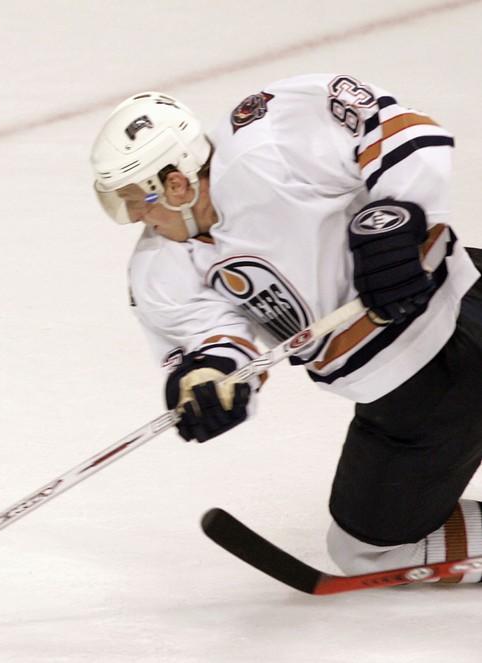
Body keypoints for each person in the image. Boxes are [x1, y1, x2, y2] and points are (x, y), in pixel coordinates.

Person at [89, 75, 482, 581]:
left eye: (132, 200)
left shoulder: (265, 141)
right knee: (366, 550)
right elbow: (215, 346)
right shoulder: (159, 268)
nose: (131, 218)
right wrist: (207, 381)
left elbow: (405, 132)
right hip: (412, 404)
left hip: (466, 301)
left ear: (176, 183)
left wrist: (391, 219)